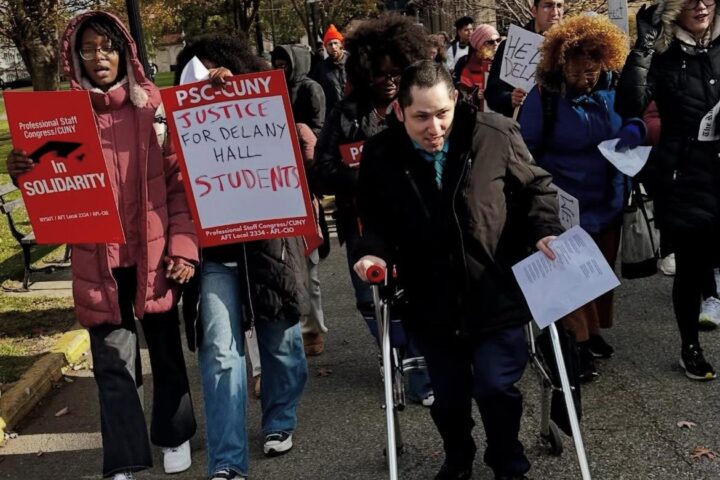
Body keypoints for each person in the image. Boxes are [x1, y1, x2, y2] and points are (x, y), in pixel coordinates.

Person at [6, 11, 198, 480]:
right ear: (76, 58)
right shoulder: (59, 120)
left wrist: (183, 247)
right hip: (99, 261)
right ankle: (124, 459)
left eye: (108, 46)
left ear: (124, 52)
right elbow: (53, 190)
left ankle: (174, 434)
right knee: (112, 362)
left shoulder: (152, 110)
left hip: (156, 255)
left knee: (165, 351)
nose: (99, 56)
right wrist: (25, 172)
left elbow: (180, 185)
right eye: (89, 48)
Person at [354, 60, 562, 480]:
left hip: (494, 287)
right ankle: (458, 458)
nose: (434, 128)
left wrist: (544, 231)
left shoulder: (494, 133)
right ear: (400, 111)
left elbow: (537, 188)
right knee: (448, 398)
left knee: (495, 387)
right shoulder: (381, 152)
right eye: (421, 117)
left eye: (442, 113)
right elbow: (373, 218)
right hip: (430, 295)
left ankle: (507, 461)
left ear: (455, 99)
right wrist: (372, 254)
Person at [174, 34, 310, 480]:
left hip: (268, 247)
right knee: (219, 353)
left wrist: (240, 99)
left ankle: (279, 416)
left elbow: (292, 165)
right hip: (213, 256)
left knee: (282, 343)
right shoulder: (178, 124)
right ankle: (228, 461)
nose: (208, 80)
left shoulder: (266, 109)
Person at [310, 12, 434, 405]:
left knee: (415, 295)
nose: (390, 80)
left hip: (413, 221)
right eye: (381, 74)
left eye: (397, 72)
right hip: (362, 225)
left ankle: (418, 370)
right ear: (365, 73)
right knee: (370, 299)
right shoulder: (346, 114)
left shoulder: (420, 110)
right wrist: (362, 176)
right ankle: (393, 353)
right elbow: (321, 172)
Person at [519, 14, 641, 381]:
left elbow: (637, 116)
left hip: (609, 196)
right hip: (564, 201)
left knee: (599, 272)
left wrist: (635, 129)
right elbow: (525, 149)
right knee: (570, 276)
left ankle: (593, 331)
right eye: (576, 71)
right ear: (560, 63)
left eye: (591, 69)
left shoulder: (616, 86)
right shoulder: (544, 96)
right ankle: (576, 343)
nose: (585, 77)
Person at [616, 0, 720, 381]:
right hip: (684, 175)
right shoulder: (664, 54)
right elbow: (629, 102)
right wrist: (643, 46)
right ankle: (690, 346)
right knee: (691, 267)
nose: (701, 5)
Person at [485, 0, 564, 117]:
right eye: (548, 6)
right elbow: (492, 94)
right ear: (534, 11)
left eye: (559, 6)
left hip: (561, 123)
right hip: (522, 124)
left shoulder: (572, 46)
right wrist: (509, 98)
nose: (555, 13)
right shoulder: (510, 45)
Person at [271, 44, 326, 136]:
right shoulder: (277, 88)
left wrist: (302, 138)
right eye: (276, 67)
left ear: (295, 65)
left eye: (282, 66)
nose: (278, 70)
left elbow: (318, 126)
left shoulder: (312, 88)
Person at [452, 24, 501, 110]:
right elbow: (455, 90)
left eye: (498, 40)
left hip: (498, 114)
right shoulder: (464, 62)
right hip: (474, 114)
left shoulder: (502, 61)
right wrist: (475, 94)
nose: (496, 44)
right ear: (479, 45)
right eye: (491, 42)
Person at [311, 24, 348, 113]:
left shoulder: (353, 63)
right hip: (332, 115)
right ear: (326, 47)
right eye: (330, 44)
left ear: (341, 45)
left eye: (336, 43)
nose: (333, 47)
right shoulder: (320, 68)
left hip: (354, 114)